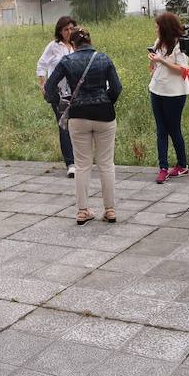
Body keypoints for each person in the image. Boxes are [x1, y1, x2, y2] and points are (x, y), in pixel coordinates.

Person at [44, 28, 123, 225]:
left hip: (78, 115)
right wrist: (106, 101)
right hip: (104, 114)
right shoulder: (104, 58)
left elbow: (49, 87)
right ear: (90, 41)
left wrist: (60, 102)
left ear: (72, 44)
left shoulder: (66, 61)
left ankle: (82, 211)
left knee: (81, 165)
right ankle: (110, 210)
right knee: (106, 163)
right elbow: (117, 87)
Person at [148, 12, 189, 183]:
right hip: (156, 89)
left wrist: (162, 60)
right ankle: (163, 167)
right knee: (161, 130)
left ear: (165, 27)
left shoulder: (179, 45)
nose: (156, 28)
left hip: (175, 93)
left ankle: (182, 164)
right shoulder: (158, 43)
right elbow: (154, 67)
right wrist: (153, 60)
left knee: (173, 129)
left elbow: (183, 70)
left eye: (158, 26)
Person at [37, 15, 77, 178]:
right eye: (65, 29)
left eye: (71, 28)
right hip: (59, 94)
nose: (69, 32)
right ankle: (70, 163)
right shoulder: (54, 46)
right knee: (64, 126)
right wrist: (44, 84)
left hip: (76, 92)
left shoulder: (78, 45)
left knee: (77, 126)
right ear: (60, 31)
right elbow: (42, 64)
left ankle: (80, 158)